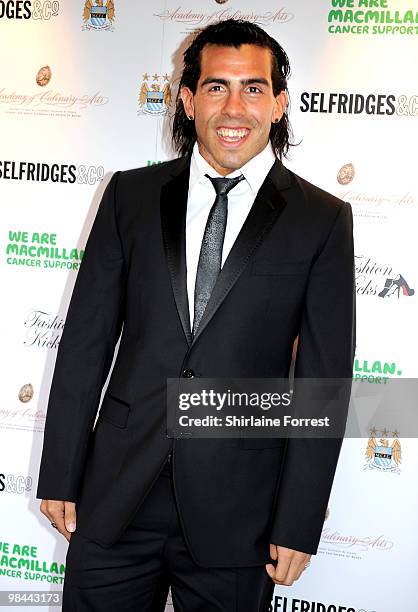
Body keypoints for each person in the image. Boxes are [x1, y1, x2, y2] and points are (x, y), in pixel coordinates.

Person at [37, 19, 355, 612]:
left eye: (254, 88)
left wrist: (299, 520)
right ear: (187, 99)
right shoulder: (130, 196)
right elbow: (86, 341)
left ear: (281, 103)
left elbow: (323, 380)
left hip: (241, 513)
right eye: (216, 87)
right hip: (116, 496)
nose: (235, 107)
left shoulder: (322, 219)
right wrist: (60, 471)